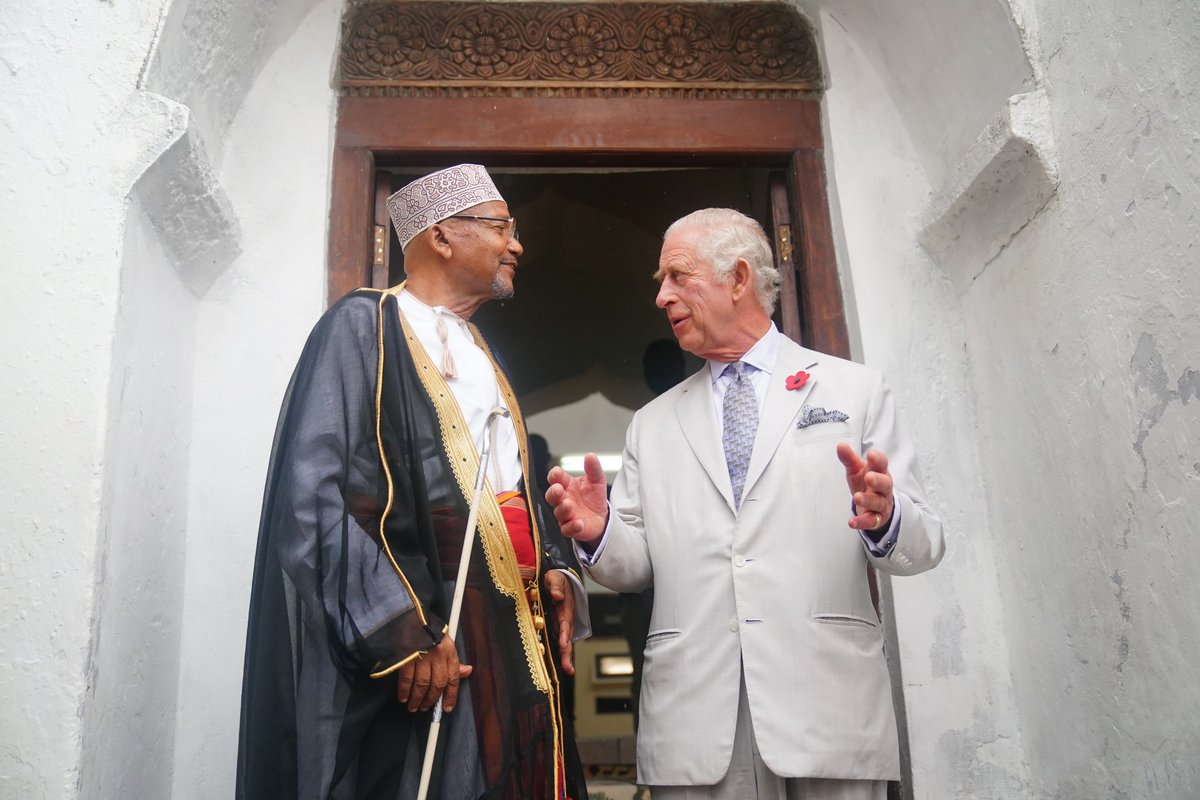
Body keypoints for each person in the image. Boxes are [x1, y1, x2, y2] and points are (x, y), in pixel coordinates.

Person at [545, 208, 945, 800]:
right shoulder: (652, 425)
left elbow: (925, 546)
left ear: (737, 279)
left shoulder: (854, 391)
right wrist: (600, 534)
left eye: (677, 277)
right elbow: (633, 568)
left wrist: (887, 521)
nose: (661, 297)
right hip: (697, 720)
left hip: (827, 705)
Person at [237, 164, 589, 800]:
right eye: (502, 226)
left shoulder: (482, 349)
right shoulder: (362, 325)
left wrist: (555, 566)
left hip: (511, 631)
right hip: (432, 637)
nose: (517, 244)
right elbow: (317, 499)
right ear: (443, 238)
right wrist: (403, 631)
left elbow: (510, 491)